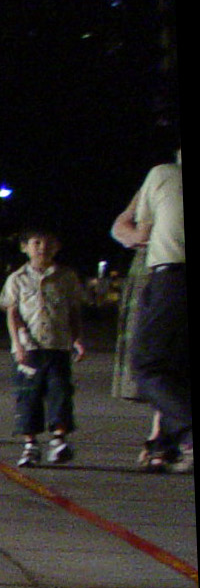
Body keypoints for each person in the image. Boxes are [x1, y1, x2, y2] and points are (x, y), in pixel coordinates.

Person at [112, 151, 188, 472]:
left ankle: (176, 435)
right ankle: (164, 444)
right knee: (175, 364)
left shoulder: (164, 174)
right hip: (161, 273)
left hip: (169, 274)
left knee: (149, 364)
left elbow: (131, 230)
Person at [0, 228, 86, 467]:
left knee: (60, 392)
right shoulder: (17, 278)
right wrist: (17, 344)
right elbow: (12, 312)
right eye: (36, 242)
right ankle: (30, 445)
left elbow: (74, 310)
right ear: (25, 247)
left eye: (48, 242)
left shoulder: (67, 276)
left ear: (57, 247)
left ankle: (58, 440)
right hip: (29, 348)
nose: (42, 247)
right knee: (29, 395)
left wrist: (77, 339)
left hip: (58, 344)